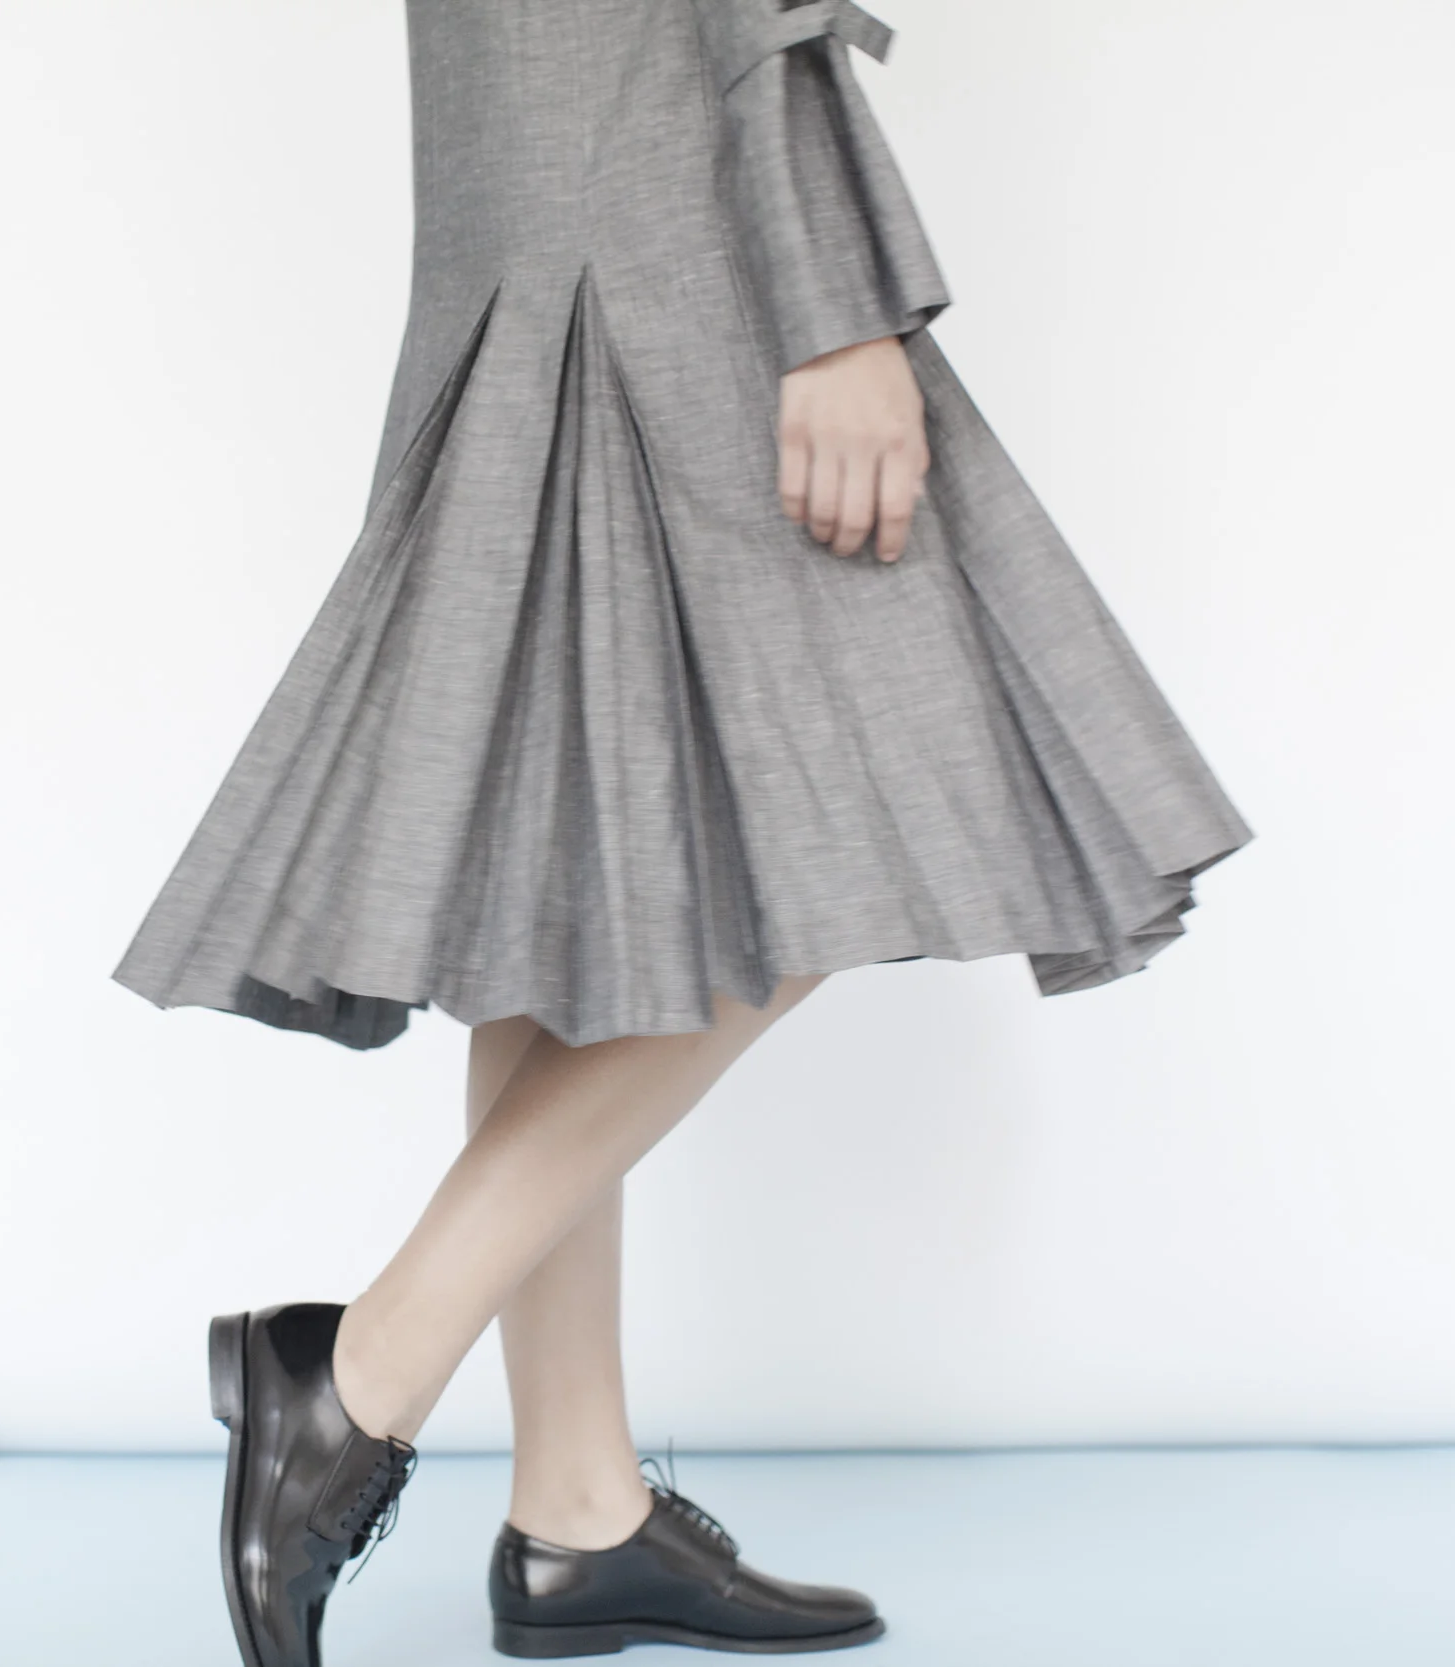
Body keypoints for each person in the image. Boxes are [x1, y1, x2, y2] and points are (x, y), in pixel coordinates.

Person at [115, 0, 1253, 1660]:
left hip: (531, 203)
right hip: (662, 223)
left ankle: (576, 1507)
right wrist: (834, 304)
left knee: (571, 871)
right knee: (875, 810)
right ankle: (357, 1373)